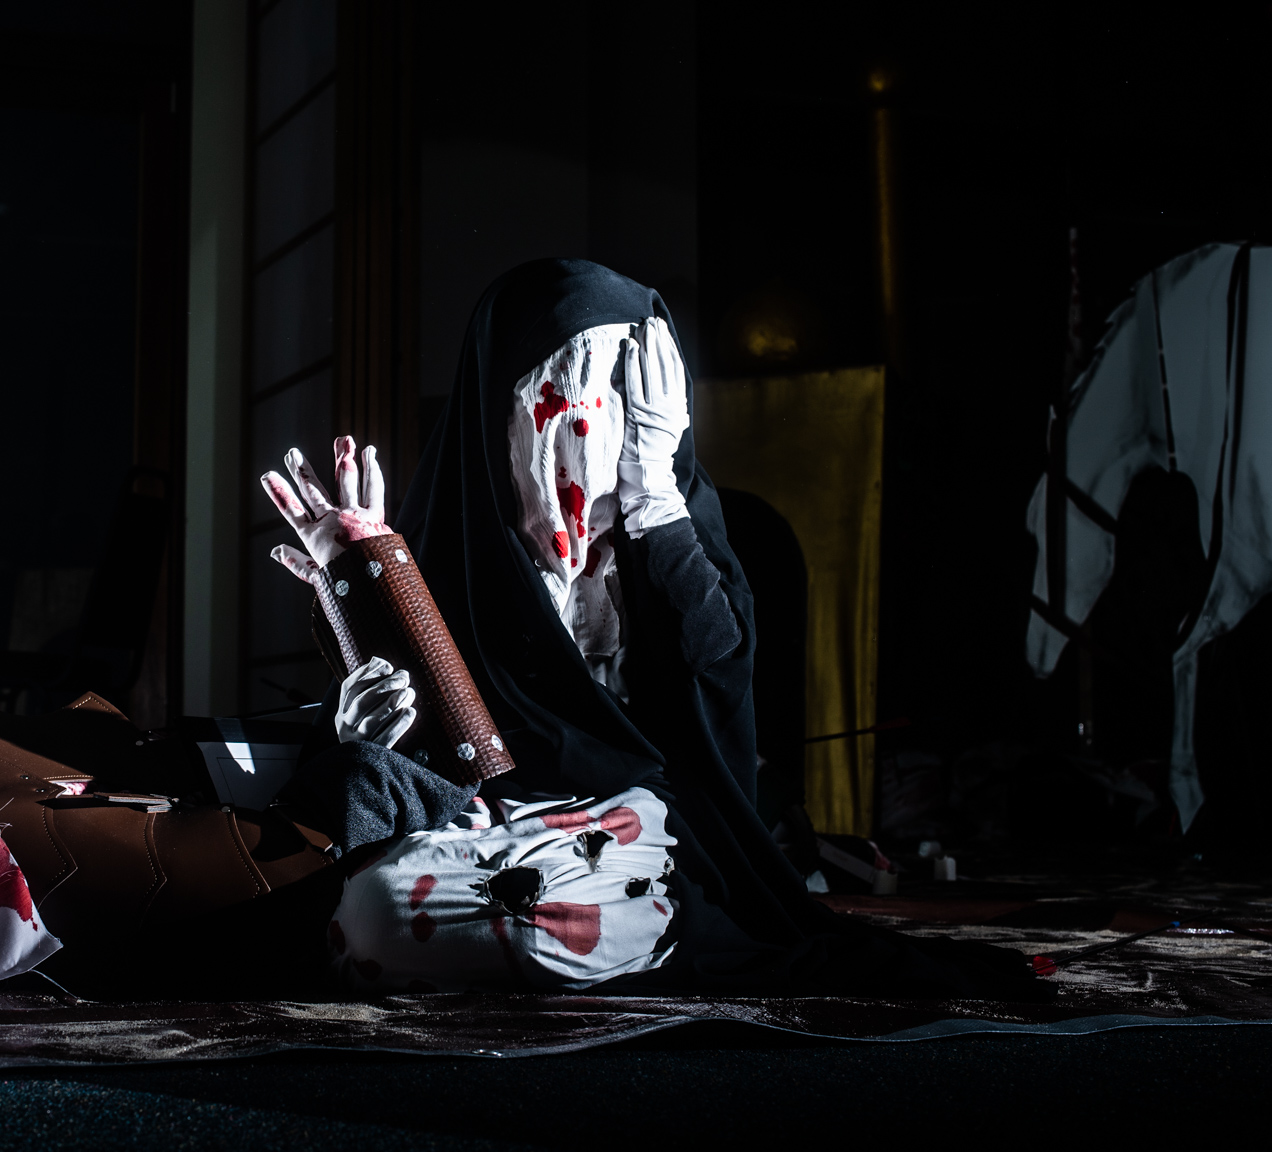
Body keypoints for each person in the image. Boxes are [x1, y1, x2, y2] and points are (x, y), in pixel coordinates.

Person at [262, 259, 1042, 998]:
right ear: (496, 409)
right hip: (477, 822)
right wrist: (361, 706)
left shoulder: (666, 538)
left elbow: (715, 684)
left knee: (492, 915)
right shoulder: (454, 549)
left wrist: (654, 499)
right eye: (551, 393)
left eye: (612, 387)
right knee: (377, 908)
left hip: (630, 824)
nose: (580, 424)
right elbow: (428, 750)